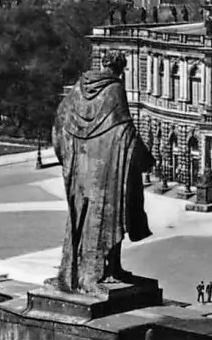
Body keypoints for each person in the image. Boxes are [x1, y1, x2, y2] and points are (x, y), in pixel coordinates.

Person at [47, 52, 155, 295]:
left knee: (82, 220)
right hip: (106, 172)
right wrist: (144, 157)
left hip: (80, 170)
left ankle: (97, 271)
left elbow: (58, 124)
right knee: (109, 217)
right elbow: (125, 130)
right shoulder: (115, 89)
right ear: (120, 69)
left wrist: (67, 159)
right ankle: (98, 275)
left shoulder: (79, 88)